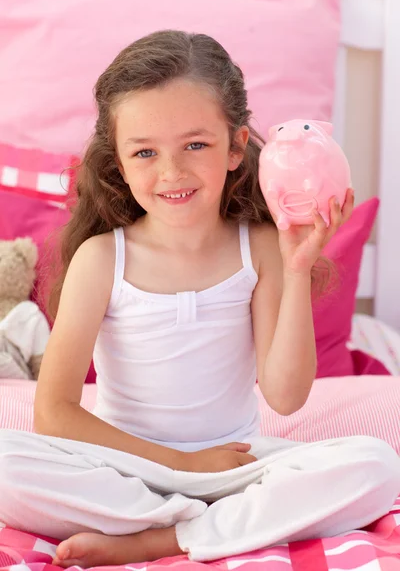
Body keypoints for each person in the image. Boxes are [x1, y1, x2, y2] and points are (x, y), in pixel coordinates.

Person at [0, 30, 399, 569]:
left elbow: (285, 396)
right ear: (118, 161)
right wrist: (183, 464)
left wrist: (298, 267)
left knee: (375, 466)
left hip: (234, 469)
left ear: (236, 147)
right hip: (123, 465)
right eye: (145, 152)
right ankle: (200, 522)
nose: (172, 172)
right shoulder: (101, 258)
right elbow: (53, 413)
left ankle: (162, 537)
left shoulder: (258, 249)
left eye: (195, 145)